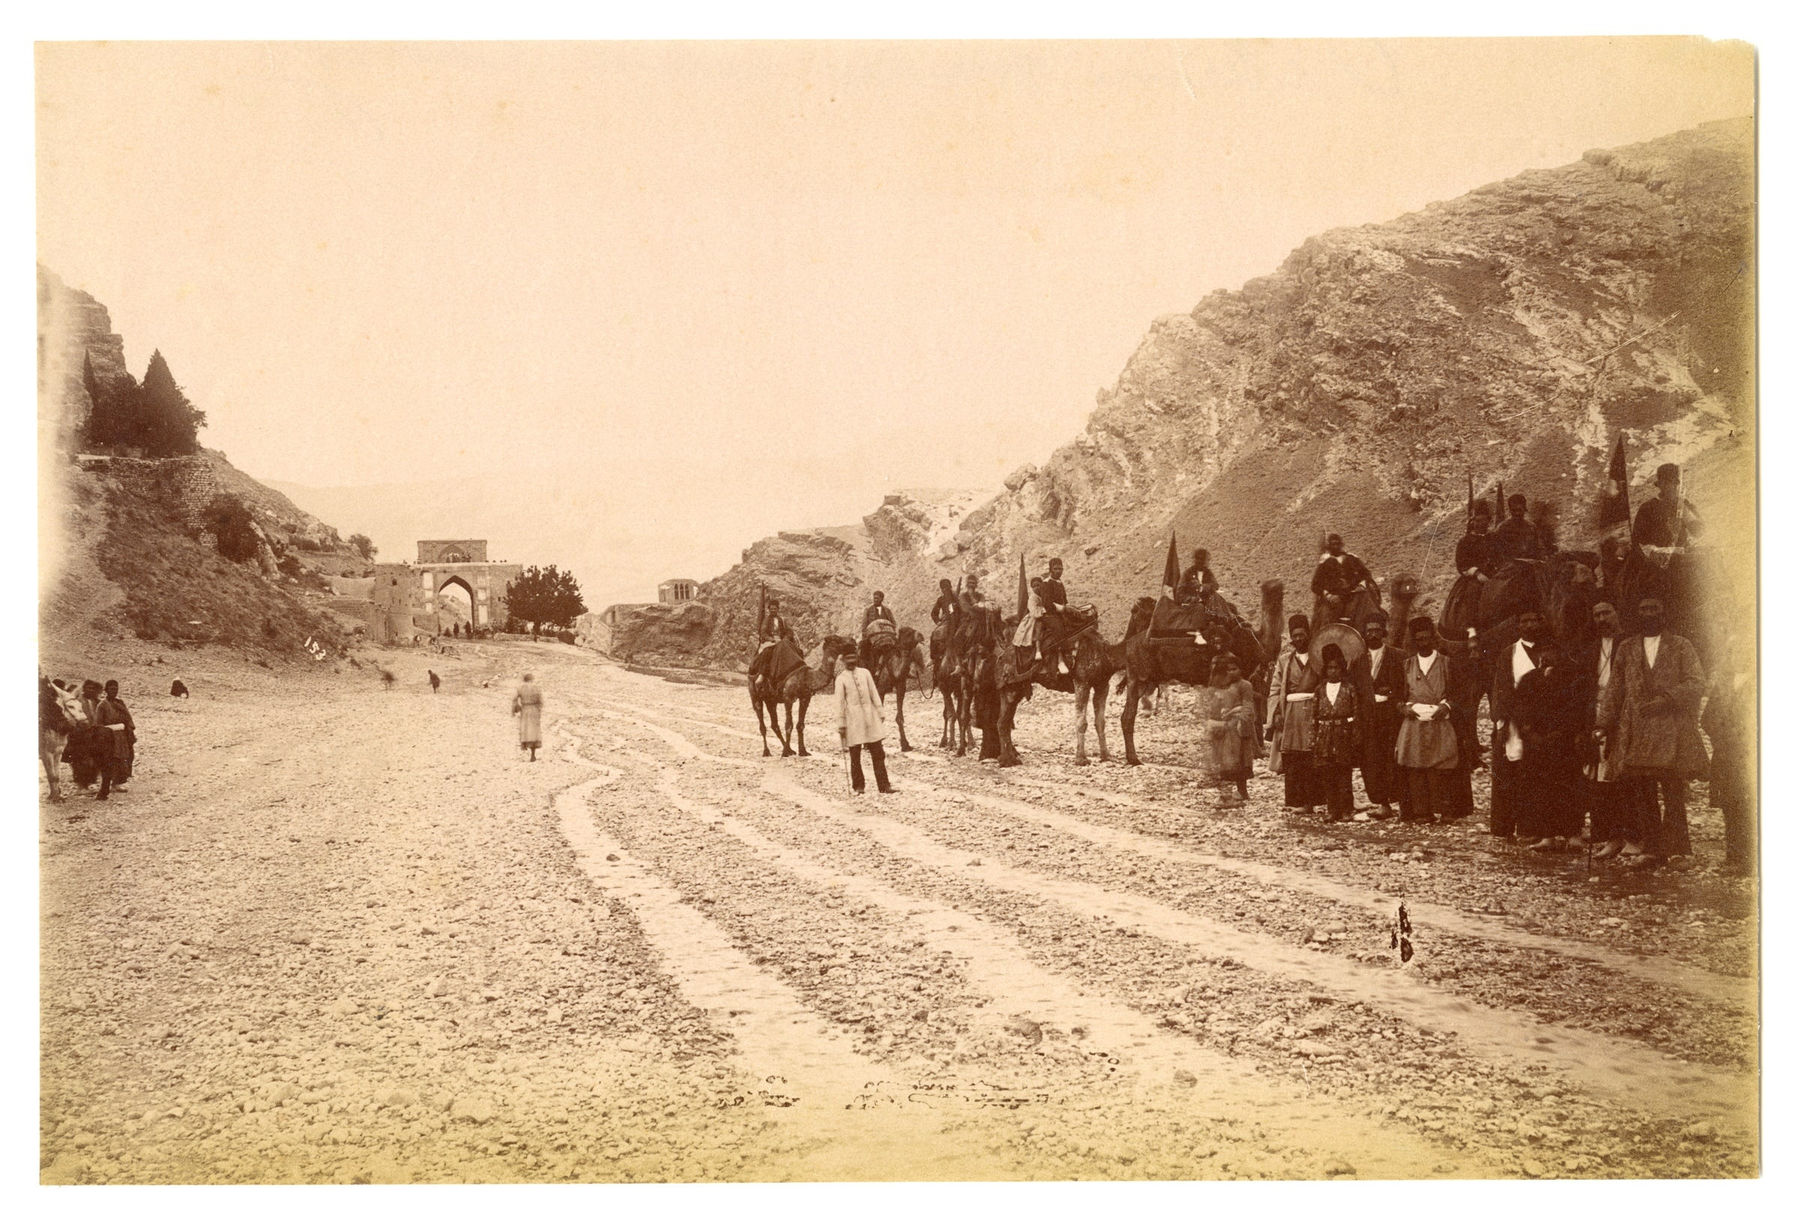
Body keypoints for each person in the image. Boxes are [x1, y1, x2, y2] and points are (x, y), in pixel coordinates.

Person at [1597, 596, 1708, 865]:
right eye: (1643, 609)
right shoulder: (1627, 647)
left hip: (1670, 730)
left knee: (1672, 791)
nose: (1649, 614)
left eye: (1654, 609)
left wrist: (1668, 699)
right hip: (1636, 731)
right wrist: (1602, 724)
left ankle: (1679, 850)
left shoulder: (1681, 645)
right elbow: (1615, 688)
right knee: (1642, 792)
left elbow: (1696, 682)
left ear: (1663, 612)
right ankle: (1652, 848)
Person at [1577, 602, 1638, 860]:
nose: (1602, 618)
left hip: (1625, 717)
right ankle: (1609, 836)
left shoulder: (1630, 644)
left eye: (1606, 613)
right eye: (1597, 614)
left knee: (1625, 779)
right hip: (1597, 717)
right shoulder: (1590, 648)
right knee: (1600, 779)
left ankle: (1632, 837)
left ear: (1617, 614)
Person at [1489, 606, 1553, 840]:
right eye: (1524, 621)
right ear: (1518, 626)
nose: (1529, 625)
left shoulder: (1551, 651)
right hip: (1513, 721)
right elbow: (1500, 688)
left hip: (1543, 723)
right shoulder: (1509, 653)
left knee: (1535, 776)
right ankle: (1503, 827)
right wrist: (1501, 721)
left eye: (1533, 620)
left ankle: (1531, 828)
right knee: (1508, 773)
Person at [1513, 647, 1585, 851]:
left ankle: (1573, 833)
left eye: (1552, 653)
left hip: (1565, 743)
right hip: (1537, 743)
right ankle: (1547, 835)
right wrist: (1529, 732)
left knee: (1569, 787)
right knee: (1541, 788)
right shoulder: (1528, 679)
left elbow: (1577, 708)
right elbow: (1520, 708)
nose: (1547, 658)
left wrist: (1564, 732)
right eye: (1544, 654)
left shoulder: (1572, 679)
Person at [1394, 617, 1463, 823]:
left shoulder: (1446, 663)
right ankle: (1421, 812)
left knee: (1442, 765)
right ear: (1414, 641)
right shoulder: (1406, 665)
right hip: (1414, 722)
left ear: (1433, 639)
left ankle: (1445, 811)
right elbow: (1398, 696)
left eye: (1427, 638)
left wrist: (1446, 706)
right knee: (1415, 765)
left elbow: (1458, 694)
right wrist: (1404, 708)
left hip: (1439, 719)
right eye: (1419, 640)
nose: (1423, 643)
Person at [1702, 628, 1754, 877]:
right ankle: (1734, 856)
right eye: (1733, 651)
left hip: (1753, 754)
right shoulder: (1723, 683)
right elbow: (1707, 719)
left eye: (1745, 650)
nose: (1739, 656)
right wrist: (1721, 738)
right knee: (1730, 805)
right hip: (1726, 753)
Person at [1266, 613, 1322, 816]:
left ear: (1308, 634)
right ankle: (1295, 800)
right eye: (1294, 635)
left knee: (1311, 757)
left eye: (1302, 634)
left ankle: (1312, 801)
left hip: (1312, 711)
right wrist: (1276, 714)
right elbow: (1275, 688)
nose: (1298, 639)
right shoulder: (1284, 661)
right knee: (1292, 758)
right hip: (1291, 714)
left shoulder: (1318, 658)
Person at [1355, 614, 1403, 820]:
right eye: (1369, 630)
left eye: (1376, 630)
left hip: (1390, 715)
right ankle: (1382, 803)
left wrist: (1392, 694)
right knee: (1370, 760)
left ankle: (1401, 802)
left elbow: (1403, 686)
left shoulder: (1397, 656)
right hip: (1367, 716)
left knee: (1392, 758)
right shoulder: (1357, 659)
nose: (1373, 634)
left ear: (1384, 632)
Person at [1312, 644, 1362, 823]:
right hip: (1325, 735)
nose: (1333, 671)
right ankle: (1332, 809)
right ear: (1325, 670)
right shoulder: (1319, 690)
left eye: (1336, 668)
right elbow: (1314, 716)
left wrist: (1355, 736)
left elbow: (1356, 713)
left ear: (1342, 669)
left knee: (1344, 773)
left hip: (1343, 734)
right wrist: (1314, 739)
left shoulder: (1349, 689)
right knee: (1328, 774)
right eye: (1330, 668)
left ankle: (1347, 809)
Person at [833, 649, 894, 795]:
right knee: (855, 754)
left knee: (878, 752)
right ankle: (858, 786)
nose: (851, 661)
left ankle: (884, 786)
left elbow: (874, 692)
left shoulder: (865, 673)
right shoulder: (841, 679)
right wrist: (841, 723)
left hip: (870, 716)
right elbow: (839, 702)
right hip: (853, 720)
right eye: (848, 658)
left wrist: (880, 711)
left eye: (853, 658)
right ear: (843, 660)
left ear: (857, 658)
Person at [1203, 654, 1256, 807]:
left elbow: (1248, 707)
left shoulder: (1245, 685)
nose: (1231, 673)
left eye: (1234, 669)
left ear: (1241, 670)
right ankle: (1228, 793)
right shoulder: (1220, 687)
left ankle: (1242, 791)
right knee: (1226, 761)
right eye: (1228, 670)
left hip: (1239, 729)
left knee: (1241, 760)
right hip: (1225, 730)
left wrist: (1237, 715)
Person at [1632, 463, 1704, 555]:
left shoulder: (1684, 504)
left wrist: (1685, 513)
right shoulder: (1647, 508)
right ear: (1661, 485)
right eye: (1670, 482)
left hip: (1684, 556)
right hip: (1660, 561)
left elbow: (1699, 532)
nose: (1675, 487)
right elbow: (1638, 541)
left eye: (1677, 483)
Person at [1310, 534, 1377, 630]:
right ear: (1329, 546)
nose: (1336, 546)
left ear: (1341, 545)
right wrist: (1328, 595)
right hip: (1333, 599)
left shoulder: (1352, 558)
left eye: (1337, 544)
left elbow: (1366, 574)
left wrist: (1361, 585)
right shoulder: (1324, 563)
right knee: (1325, 620)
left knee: (1368, 609)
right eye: (1333, 544)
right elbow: (1315, 585)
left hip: (1353, 595)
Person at [101, 680, 135, 790]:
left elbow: (128, 717)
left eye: (116, 689)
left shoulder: (120, 703)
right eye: (111, 689)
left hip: (122, 735)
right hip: (110, 736)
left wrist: (129, 729)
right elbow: (99, 724)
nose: (114, 691)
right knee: (112, 759)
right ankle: (110, 782)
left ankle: (119, 782)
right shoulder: (102, 705)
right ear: (106, 690)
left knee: (124, 757)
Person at [1491, 494, 1545, 563]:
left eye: (1519, 510)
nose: (1517, 513)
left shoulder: (1532, 527)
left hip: (1530, 567)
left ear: (1524, 509)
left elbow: (1540, 548)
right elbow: (1496, 551)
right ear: (1510, 510)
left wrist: (1541, 560)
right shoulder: (1502, 528)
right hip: (1509, 567)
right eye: (1514, 510)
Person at [1456, 504, 1497, 580]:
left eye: (1483, 520)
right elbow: (1461, 565)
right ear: (1473, 522)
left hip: (1495, 575)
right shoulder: (1465, 541)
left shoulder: (1494, 537)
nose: (1480, 524)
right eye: (1477, 521)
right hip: (1474, 578)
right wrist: (1477, 574)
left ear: (1488, 521)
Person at [513, 673, 543, 762]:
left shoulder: (520, 688)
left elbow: (514, 699)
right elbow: (540, 701)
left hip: (525, 710)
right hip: (534, 710)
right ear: (532, 679)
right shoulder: (536, 687)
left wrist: (516, 708)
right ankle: (533, 754)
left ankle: (525, 746)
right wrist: (539, 710)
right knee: (534, 731)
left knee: (526, 730)